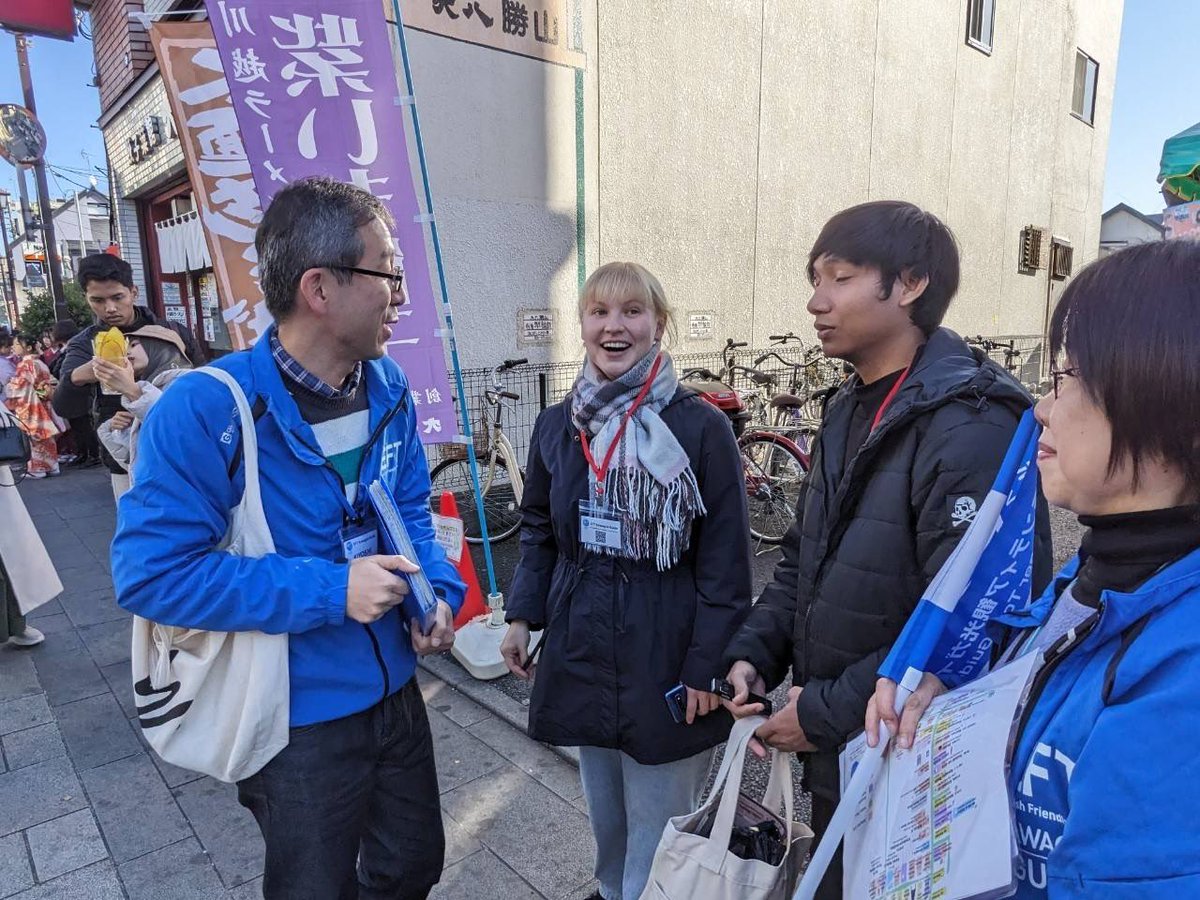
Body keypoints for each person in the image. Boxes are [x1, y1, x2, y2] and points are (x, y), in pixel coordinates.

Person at [111, 176, 465, 900]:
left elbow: (409, 510)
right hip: (291, 717)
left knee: (412, 866)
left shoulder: (390, 387)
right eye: (388, 273)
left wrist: (437, 591)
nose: (401, 295)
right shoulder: (207, 407)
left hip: (397, 693)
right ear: (320, 288)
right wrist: (331, 590)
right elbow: (152, 575)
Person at [720, 201, 1052, 899]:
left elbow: (971, 622)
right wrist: (754, 653)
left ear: (910, 284)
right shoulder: (847, 406)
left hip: (911, 757)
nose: (816, 302)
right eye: (815, 279)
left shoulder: (973, 425)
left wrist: (820, 714)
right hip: (844, 748)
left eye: (839, 278)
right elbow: (803, 557)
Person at [865, 239, 1200, 898]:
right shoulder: (1095, 577)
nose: (1042, 408)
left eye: (1068, 377)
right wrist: (958, 700)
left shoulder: (1181, 669)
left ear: (1169, 398)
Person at [499, 261, 753, 900]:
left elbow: (726, 563)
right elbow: (539, 529)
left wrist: (707, 667)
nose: (615, 326)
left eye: (632, 311)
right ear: (583, 325)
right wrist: (522, 615)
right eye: (600, 312)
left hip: (667, 648)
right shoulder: (559, 425)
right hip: (583, 644)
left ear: (658, 325)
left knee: (661, 822)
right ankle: (614, 891)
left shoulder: (700, 427)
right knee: (607, 815)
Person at [52, 253, 201, 498]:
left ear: (133, 292)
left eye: (117, 297)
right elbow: (64, 407)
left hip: (182, 447)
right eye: (98, 300)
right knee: (135, 520)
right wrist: (81, 375)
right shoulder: (85, 344)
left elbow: (203, 383)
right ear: (86, 299)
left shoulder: (171, 332)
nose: (109, 308)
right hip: (125, 458)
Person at [95, 325, 193, 475]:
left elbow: (181, 435)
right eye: (126, 346)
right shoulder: (148, 386)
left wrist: (133, 392)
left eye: (133, 345)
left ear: (158, 346)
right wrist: (115, 430)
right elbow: (136, 463)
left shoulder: (188, 382)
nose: (126, 352)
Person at [5, 334, 62, 479]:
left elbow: (20, 387)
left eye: (17, 344)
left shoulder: (26, 364)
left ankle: (38, 469)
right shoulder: (40, 363)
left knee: (35, 438)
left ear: (28, 348)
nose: (14, 347)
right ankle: (52, 465)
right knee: (46, 436)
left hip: (31, 405)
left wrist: (9, 385)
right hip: (43, 402)